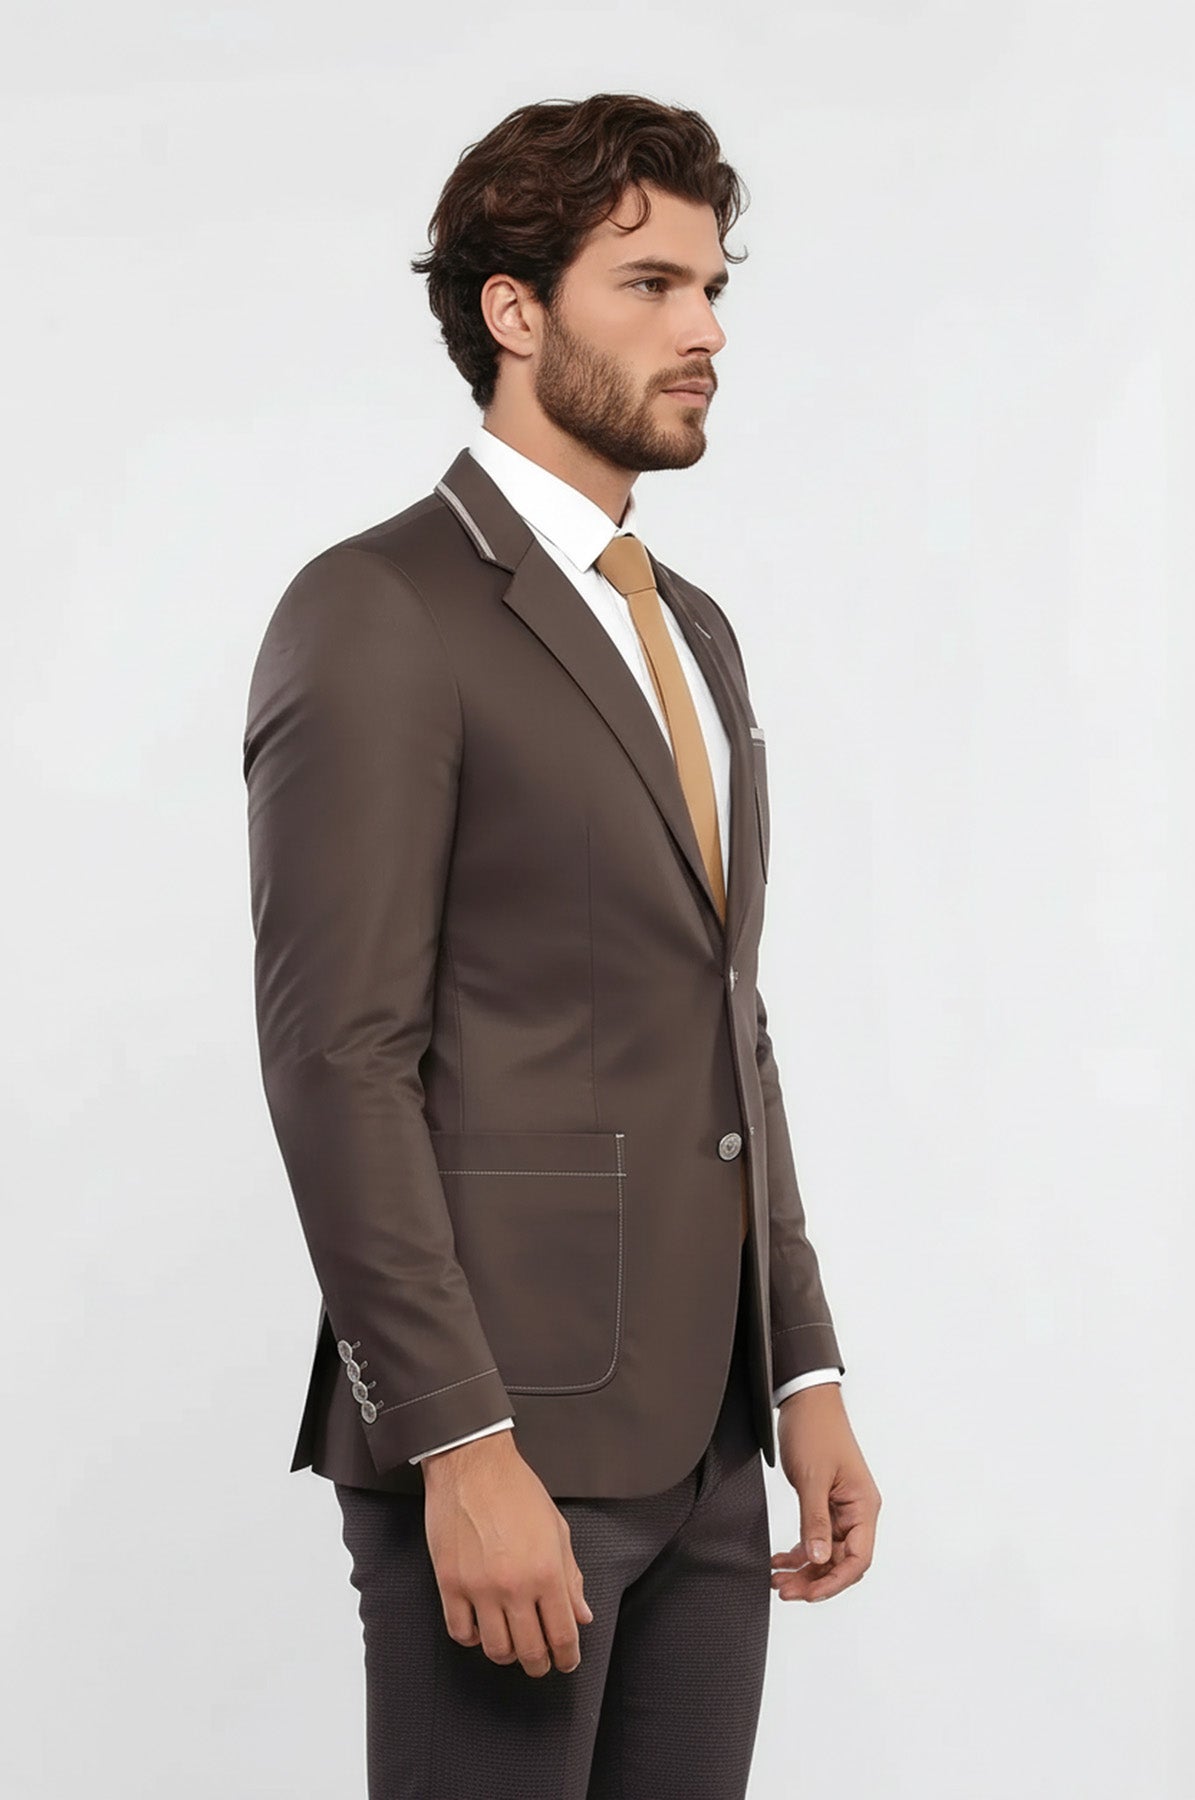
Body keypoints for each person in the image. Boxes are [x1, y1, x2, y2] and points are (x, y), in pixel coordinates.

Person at [243, 90, 881, 1800]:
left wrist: (803, 1366)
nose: (706, 329)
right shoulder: (379, 609)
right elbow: (337, 1061)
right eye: (651, 286)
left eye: (713, 287)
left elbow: (726, 1021)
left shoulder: (696, 633)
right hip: (507, 1439)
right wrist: (457, 1438)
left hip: (709, 1444)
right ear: (513, 312)